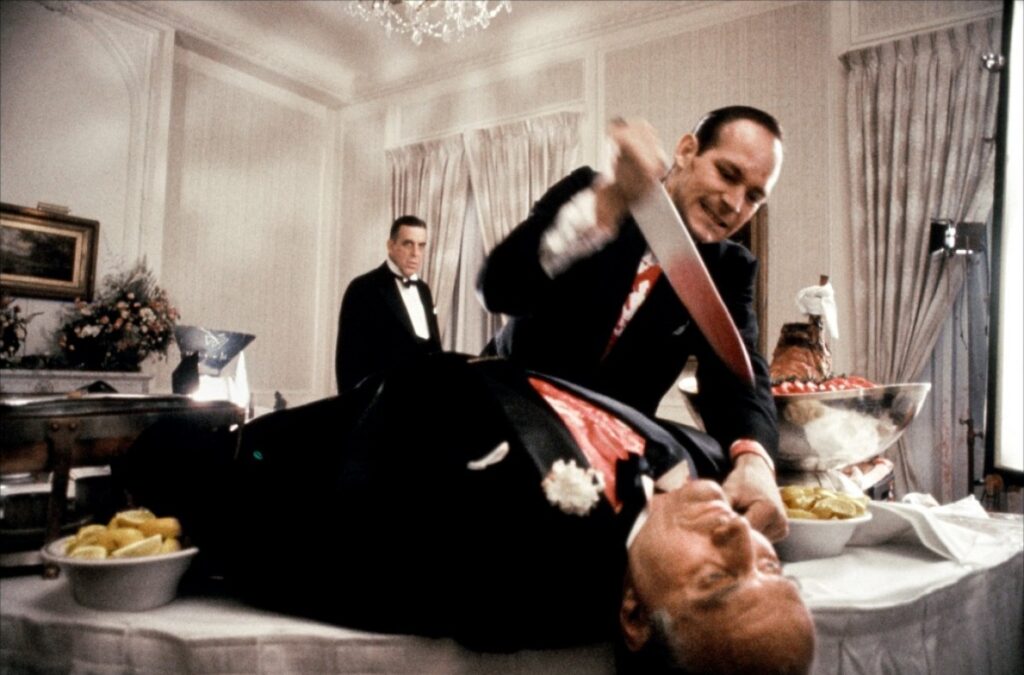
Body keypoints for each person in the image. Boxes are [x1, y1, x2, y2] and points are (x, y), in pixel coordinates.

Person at [116, 352, 814, 674]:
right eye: (768, 566)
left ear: (633, 614)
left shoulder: (510, 565)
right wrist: (750, 455)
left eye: (717, 579)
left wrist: (184, 484)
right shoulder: (703, 474)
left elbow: (296, 541)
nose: (739, 535)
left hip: (227, 454)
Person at [476, 107, 787, 542]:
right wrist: (604, 206)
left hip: (605, 464)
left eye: (753, 196)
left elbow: (738, 379)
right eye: (727, 173)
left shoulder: (730, 269)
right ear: (687, 151)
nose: (734, 204)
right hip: (506, 422)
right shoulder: (590, 193)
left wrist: (754, 460)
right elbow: (499, 288)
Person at [334, 214, 442, 392]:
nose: (415, 253)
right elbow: (348, 362)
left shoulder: (424, 290)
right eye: (408, 244)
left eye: (421, 245)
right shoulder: (363, 288)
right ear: (391, 246)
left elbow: (435, 350)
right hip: (382, 402)